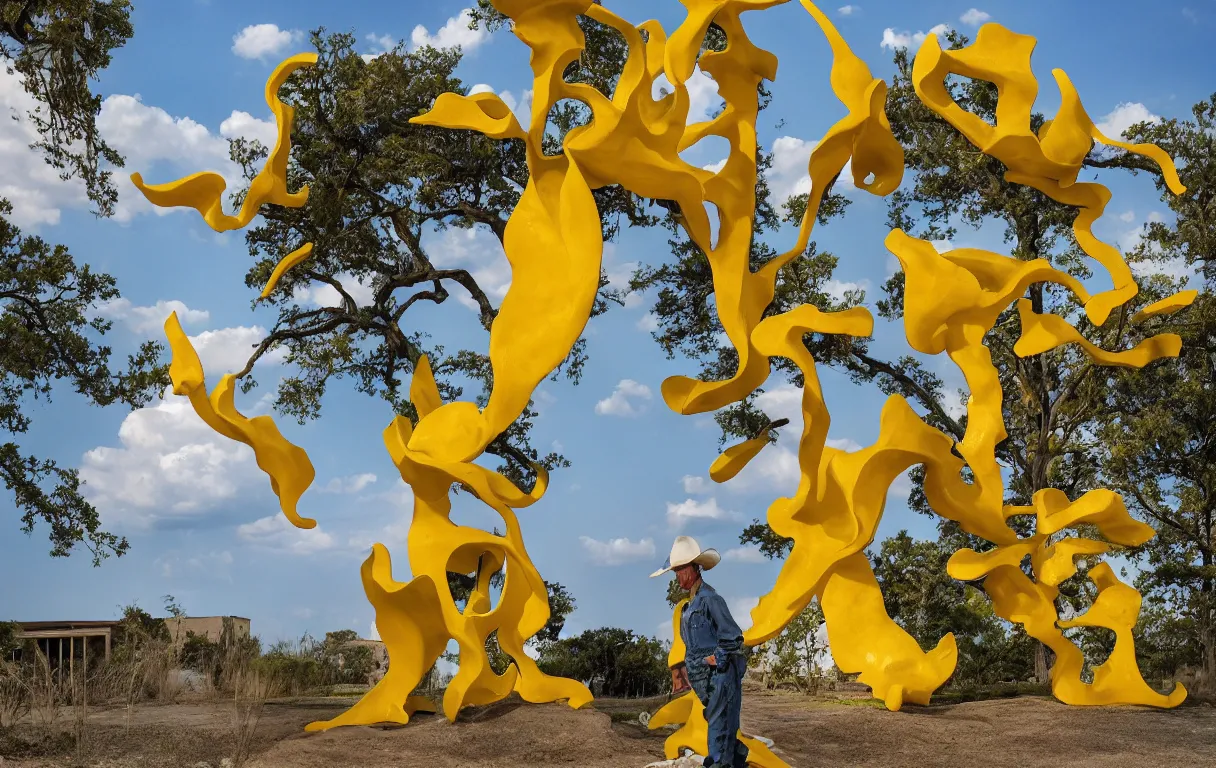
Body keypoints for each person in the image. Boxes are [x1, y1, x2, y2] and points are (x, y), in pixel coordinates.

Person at [651, 535, 749, 768]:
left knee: (718, 736)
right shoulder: (689, 606)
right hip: (706, 683)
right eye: (675, 571)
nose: (678, 576)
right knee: (724, 733)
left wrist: (717, 660)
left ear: (695, 568)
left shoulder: (710, 599)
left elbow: (733, 636)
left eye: (681, 570)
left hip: (720, 678)